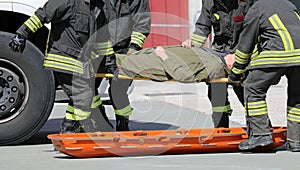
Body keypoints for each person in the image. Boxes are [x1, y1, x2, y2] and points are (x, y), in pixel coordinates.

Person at [9, 0, 114, 133]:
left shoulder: (99, 8)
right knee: (83, 95)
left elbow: (103, 39)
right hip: (63, 59)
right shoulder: (67, 1)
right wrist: (22, 34)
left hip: (80, 63)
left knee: (85, 95)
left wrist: (110, 61)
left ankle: (68, 128)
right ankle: (88, 129)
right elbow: (42, 15)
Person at [228, 0, 300, 151]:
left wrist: (235, 73)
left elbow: (245, 46)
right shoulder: (288, 4)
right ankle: (296, 141)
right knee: (297, 98)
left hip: (277, 54)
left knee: (253, 89)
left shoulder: (257, 9)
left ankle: (260, 135)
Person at [181, 0, 248, 128]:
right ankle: (221, 129)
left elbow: (254, 29)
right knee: (216, 94)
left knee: (247, 94)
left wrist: (241, 55)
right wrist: (193, 43)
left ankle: (260, 129)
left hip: (242, 54)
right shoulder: (210, 2)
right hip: (219, 54)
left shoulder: (245, 3)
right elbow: (202, 26)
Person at [92, 0, 151, 131]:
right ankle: (100, 118)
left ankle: (123, 123)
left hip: (123, 49)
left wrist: (131, 52)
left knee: (118, 90)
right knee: (88, 87)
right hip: (99, 48)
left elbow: (142, 24)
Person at [114, 45, 232, 83]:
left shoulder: (215, 67)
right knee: (116, 57)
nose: (235, 54)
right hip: (155, 54)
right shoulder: (217, 57)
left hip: (159, 63)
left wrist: (164, 57)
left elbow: (184, 76)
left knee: (115, 62)